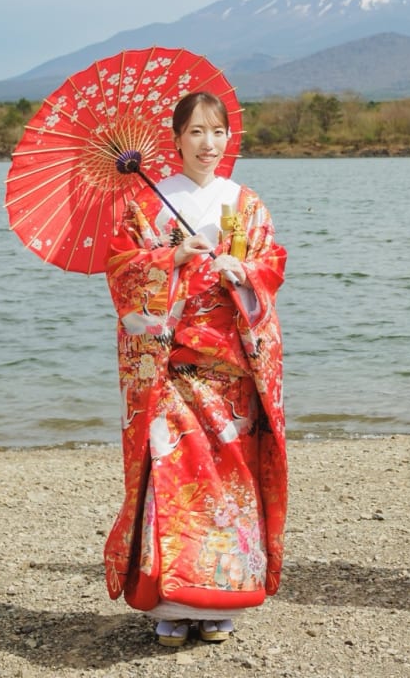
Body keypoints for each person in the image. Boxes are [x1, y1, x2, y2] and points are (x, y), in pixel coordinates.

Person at [102, 91, 288, 646]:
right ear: (176, 139)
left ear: (230, 138)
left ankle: (222, 596)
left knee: (230, 481)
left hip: (230, 366)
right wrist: (171, 259)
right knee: (174, 478)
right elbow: (122, 270)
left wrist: (244, 272)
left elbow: (271, 266)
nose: (209, 144)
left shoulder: (246, 202)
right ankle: (171, 601)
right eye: (196, 133)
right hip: (172, 365)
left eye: (218, 132)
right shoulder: (147, 205)